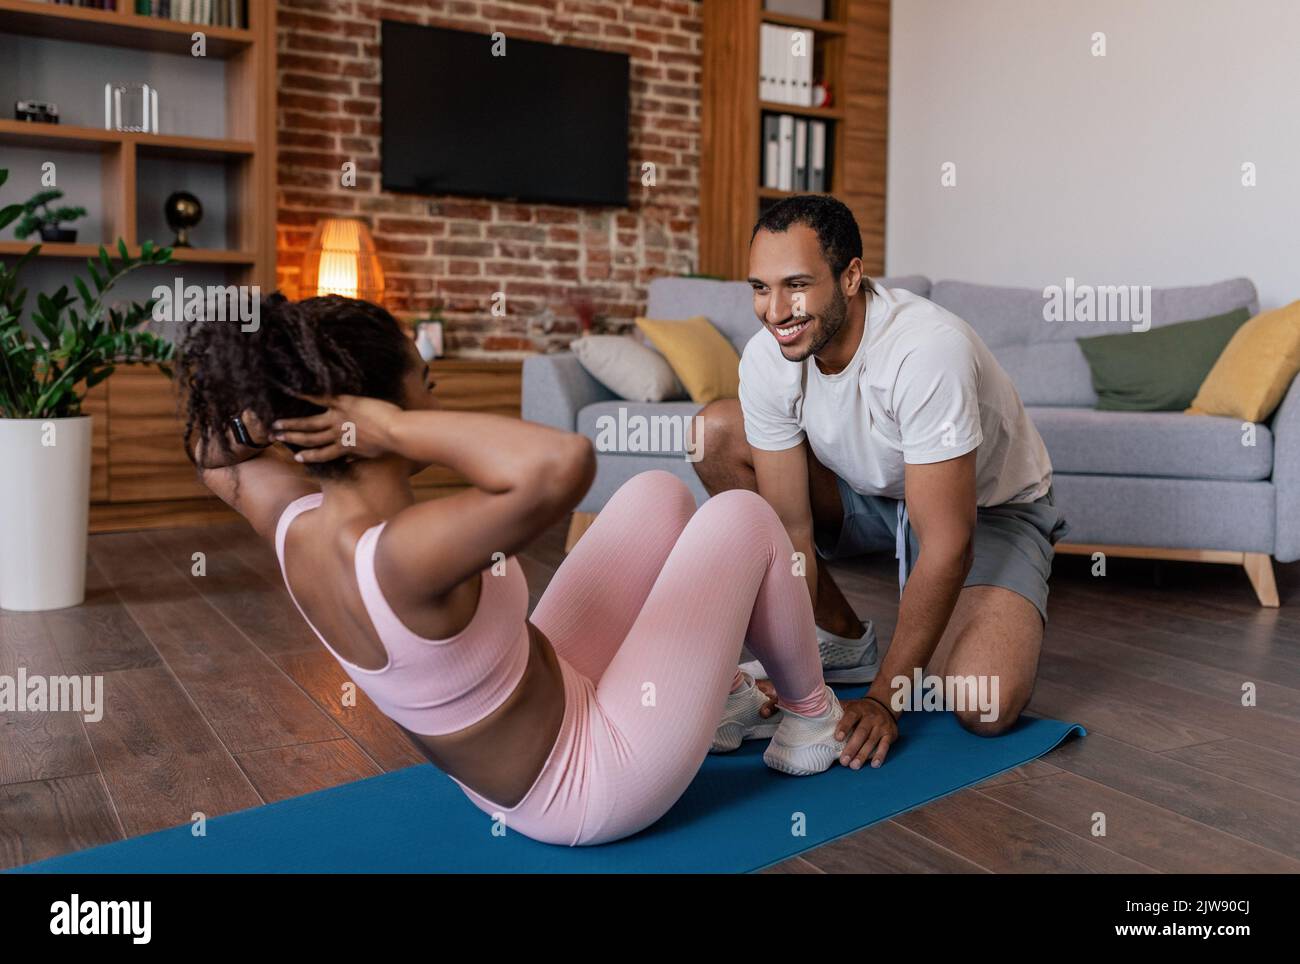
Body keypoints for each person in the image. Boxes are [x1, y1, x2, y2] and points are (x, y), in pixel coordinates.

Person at [178, 293, 842, 848]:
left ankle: (719, 698)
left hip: (545, 716)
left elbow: (214, 459)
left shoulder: (297, 521)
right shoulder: (402, 554)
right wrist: (391, 429)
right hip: (593, 784)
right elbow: (562, 463)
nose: (434, 393)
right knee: (741, 516)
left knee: (657, 495)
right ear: (380, 411)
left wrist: (270, 412)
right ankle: (811, 716)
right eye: (424, 383)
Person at [694, 195, 1069, 770]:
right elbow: (790, 529)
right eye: (760, 288)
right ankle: (841, 640)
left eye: (796, 284)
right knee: (716, 432)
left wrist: (883, 700)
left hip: (984, 511)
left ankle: (904, 657)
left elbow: (949, 545)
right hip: (868, 493)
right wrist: (802, 689)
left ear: (850, 276)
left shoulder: (925, 352)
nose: (775, 311)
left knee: (982, 703)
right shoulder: (769, 357)